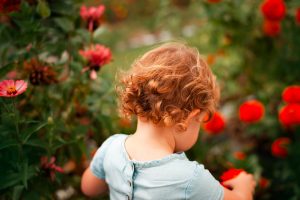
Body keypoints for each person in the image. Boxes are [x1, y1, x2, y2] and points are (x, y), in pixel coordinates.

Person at [81, 43, 256, 200]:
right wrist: (244, 187)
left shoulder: (111, 147)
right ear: (188, 118)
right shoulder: (190, 179)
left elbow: (88, 188)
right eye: (199, 122)